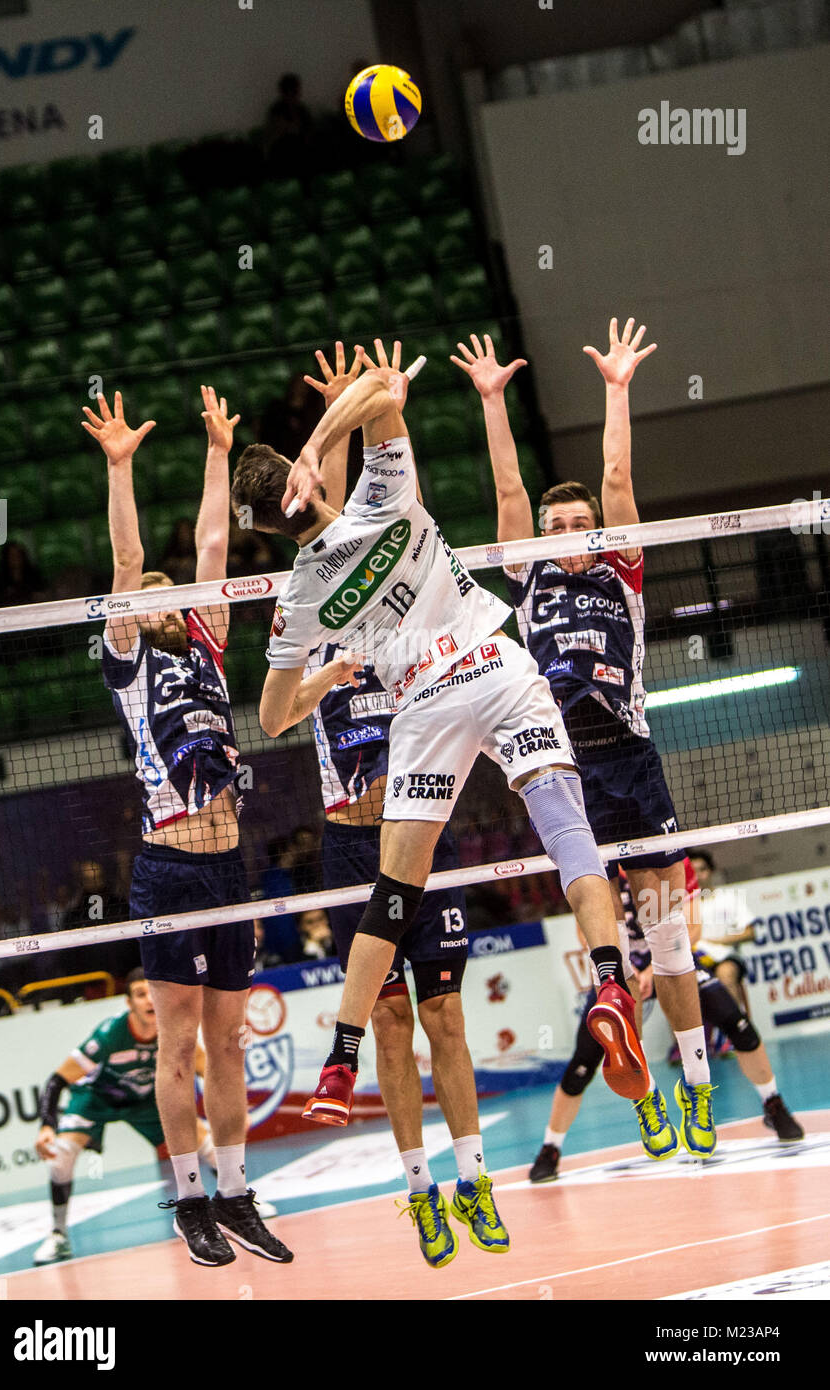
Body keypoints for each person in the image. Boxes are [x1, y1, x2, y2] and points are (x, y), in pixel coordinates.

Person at [231, 337, 649, 1256]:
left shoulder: (298, 594)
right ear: (308, 484)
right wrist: (322, 431)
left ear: (264, 528)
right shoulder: (384, 496)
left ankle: (338, 1063)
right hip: (496, 665)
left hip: (423, 709)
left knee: (396, 888)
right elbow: (384, 390)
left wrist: (322, 673)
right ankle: (612, 984)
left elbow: (267, 717)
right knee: (565, 829)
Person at [459, 323, 715, 1160]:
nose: (568, 528)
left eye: (579, 521)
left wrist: (616, 389)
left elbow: (615, 477)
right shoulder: (528, 576)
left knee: (669, 943)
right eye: (554, 521)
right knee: (608, 943)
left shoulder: (622, 571)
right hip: (564, 766)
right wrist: (494, 403)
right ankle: (634, 1073)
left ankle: (698, 1089)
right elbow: (505, 491)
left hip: (633, 758)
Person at [299, 343, 503, 1266]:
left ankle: (474, 1180)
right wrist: (342, 421)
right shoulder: (308, 620)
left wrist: (365, 407)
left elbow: (362, 511)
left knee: (448, 1016)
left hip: (420, 827)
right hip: (353, 847)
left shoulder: (399, 596)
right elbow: (324, 521)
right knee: (387, 1019)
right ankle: (419, 1191)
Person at [82, 384, 291, 1269]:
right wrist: (120, 468)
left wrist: (217, 452)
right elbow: (129, 564)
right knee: (176, 1046)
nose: (167, 601)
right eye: (156, 601)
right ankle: (190, 1201)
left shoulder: (204, 642)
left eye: (176, 598)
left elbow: (212, 544)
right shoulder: (130, 667)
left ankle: (237, 1191)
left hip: (228, 869)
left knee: (230, 1042)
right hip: (168, 870)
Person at [530, 865, 804, 1181]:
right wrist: (628, 972)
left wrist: (651, 973)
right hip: (620, 968)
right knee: (584, 1060)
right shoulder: (598, 858)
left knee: (737, 1023)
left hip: (672, 961)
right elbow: (586, 930)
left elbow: (693, 928)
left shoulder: (664, 853)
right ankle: (550, 1148)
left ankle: (773, 1104)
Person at [32, 970, 213, 1265]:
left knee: (208, 1141)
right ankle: (57, 1235)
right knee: (60, 1154)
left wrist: (236, 1111)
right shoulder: (109, 1034)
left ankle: (234, 1202)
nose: (149, 1001)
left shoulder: (177, 1030)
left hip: (147, 1100)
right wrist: (46, 1126)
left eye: (153, 993)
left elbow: (211, 1073)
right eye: (141, 994)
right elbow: (57, 1081)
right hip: (98, 1098)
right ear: (129, 1003)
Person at [690, 850, 755, 1015]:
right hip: (696, 961)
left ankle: (739, 1031)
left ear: (711, 871)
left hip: (726, 956)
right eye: (693, 871)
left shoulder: (728, 898)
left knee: (725, 975)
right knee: (679, 987)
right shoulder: (685, 905)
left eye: (702, 870)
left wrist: (719, 942)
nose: (698, 876)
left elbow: (750, 933)